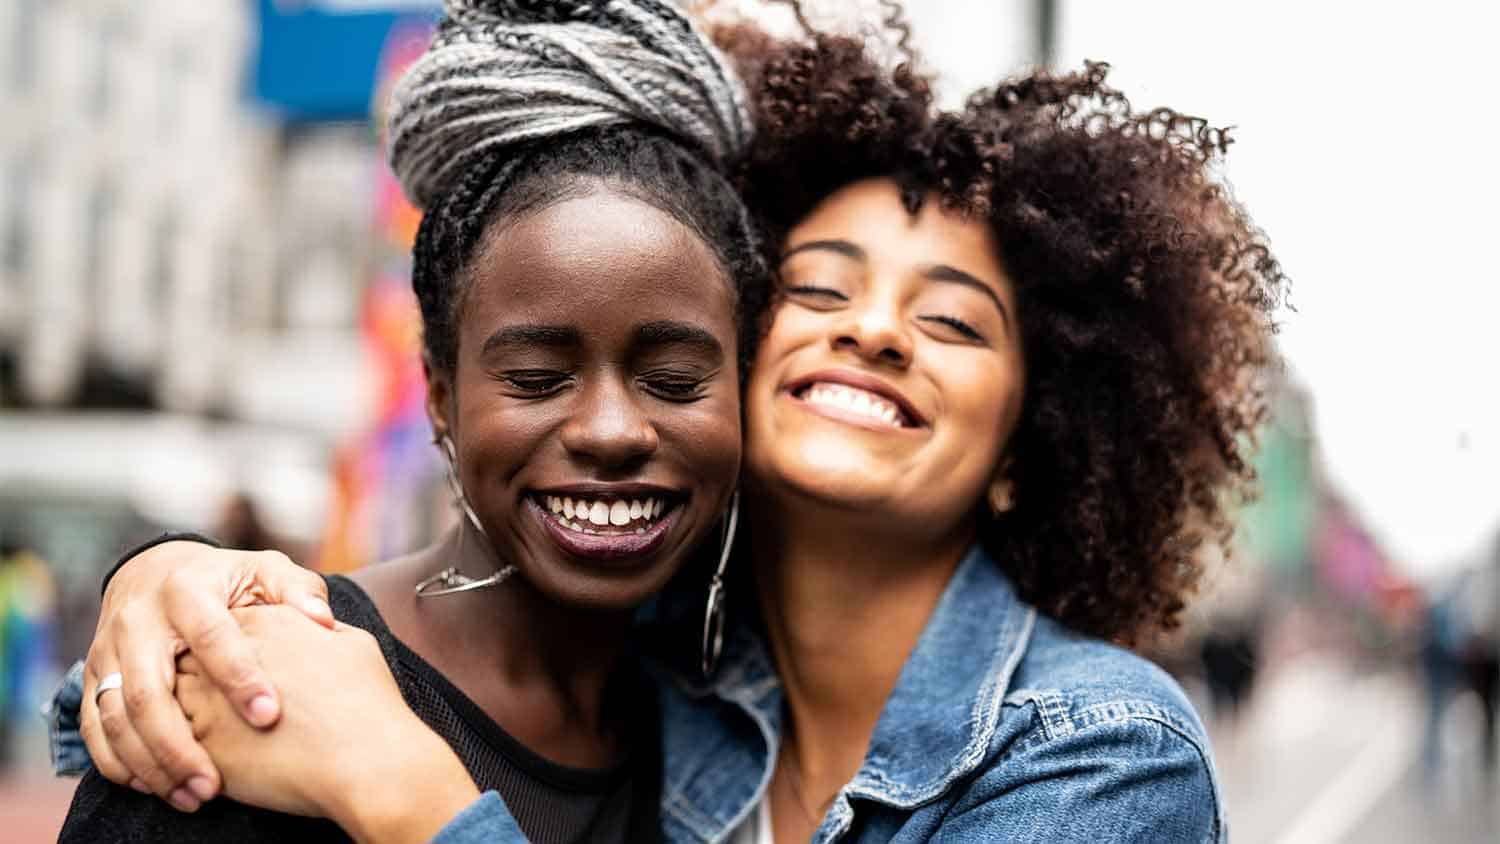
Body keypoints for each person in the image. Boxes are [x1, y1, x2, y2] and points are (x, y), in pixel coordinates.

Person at [58, 12, 1285, 844]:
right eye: (821, 287)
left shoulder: (1101, 752)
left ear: (1035, 440)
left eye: (954, 323)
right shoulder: (681, 681)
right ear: (757, 362)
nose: (874, 331)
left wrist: (412, 794)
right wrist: (167, 582)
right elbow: (126, 723)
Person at [58, 0, 762, 841]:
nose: (612, 430)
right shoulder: (247, 692)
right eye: (537, 378)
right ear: (438, 394)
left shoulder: (735, 723)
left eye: (675, 380)